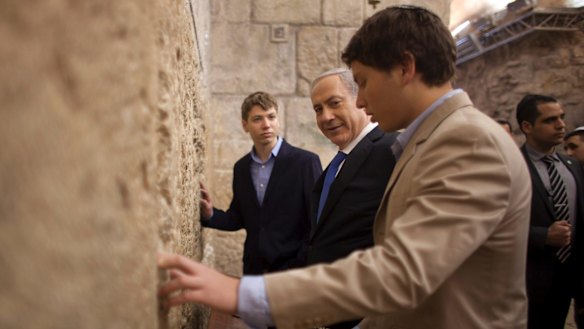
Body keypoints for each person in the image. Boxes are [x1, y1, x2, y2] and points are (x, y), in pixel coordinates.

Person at [158, 6, 532, 329]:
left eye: (364, 82)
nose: (363, 100)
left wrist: (242, 293)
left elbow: (403, 272)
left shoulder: (468, 141)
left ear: (405, 67)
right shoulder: (431, 140)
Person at [299, 67, 398, 328]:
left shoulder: (390, 149)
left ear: (360, 100)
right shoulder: (339, 162)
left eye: (334, 103)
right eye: (318, 109)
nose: (326, 117)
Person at [199, 91, 322, 275]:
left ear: (277, 120)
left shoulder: (305, 163)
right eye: (257, 119)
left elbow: (317, 220)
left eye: (271, 117)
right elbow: (238, 217)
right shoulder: (241, 168)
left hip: (294, 272)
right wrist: (209, 214)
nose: (266, 125)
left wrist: (301, 262)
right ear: (245, 125)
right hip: (254, 271)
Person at [516, 94, 584, 329]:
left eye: (562, 117)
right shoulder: (511, 167)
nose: (561, 125)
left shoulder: (572, 166)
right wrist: (542, 236)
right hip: (529, 282)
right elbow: (495, 225)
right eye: (550, 120)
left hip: (570, 279)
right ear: (527, 126)